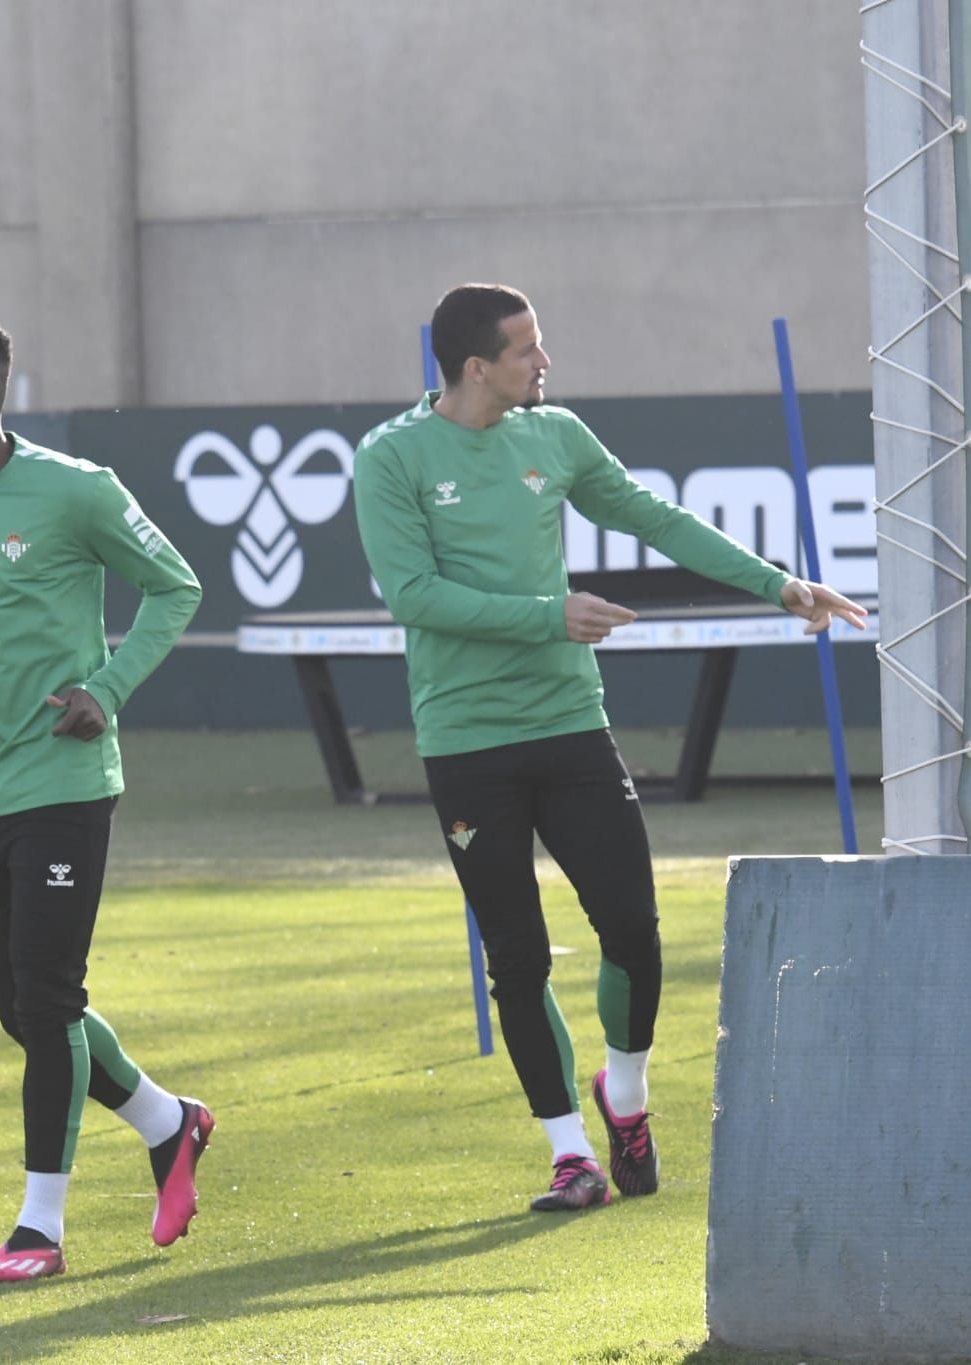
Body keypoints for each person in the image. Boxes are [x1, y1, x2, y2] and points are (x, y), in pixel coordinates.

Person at [352, 283, 868, 1212]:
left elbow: (653, 517)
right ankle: (569, 1155)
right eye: (527, 350)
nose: (544, 363)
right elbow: (413, 597)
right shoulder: (391, 457)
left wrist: (778, 584)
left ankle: (623, 1096)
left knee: (632, 925)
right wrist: (550, 615)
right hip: (466, 743)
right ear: (477, 367)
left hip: (571, 727)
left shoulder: (556, 436)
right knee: (518, 958)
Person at [0, 309, 212, 1282]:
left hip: (63, 779)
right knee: (26, 1011)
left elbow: (174, 585)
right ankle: (166, 1121)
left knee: (49, 995)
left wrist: (104, 690)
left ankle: (39, 1229)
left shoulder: (75, 492)